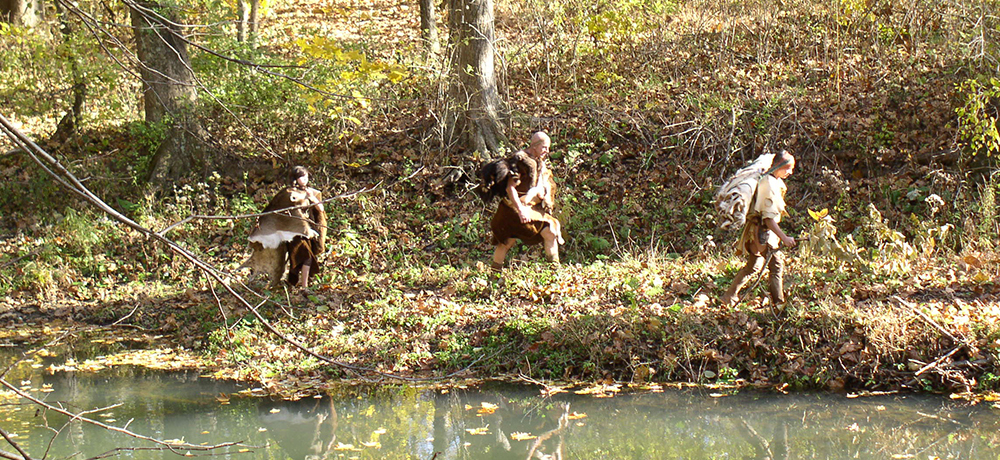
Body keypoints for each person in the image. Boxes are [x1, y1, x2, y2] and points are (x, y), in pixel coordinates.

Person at [720, 150, 796, 307]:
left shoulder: (774, 181)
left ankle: (729, 296)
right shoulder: (768, 184)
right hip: (762, 232)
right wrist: (784, 237)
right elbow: (768, 219)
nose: (790, 172)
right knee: (776, 266)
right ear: (778, 166)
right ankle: (779, 304)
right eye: (787, 168)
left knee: (754, 266)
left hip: (759, 231)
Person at [490, 131, 562, 270]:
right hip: (513, 210)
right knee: (506, 243)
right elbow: (510, 188)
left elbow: (544, 180)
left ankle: (555, 272)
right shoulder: (520, 159)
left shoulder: (539, 161)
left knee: (550, 233)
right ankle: (494, 277)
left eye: (548, 148)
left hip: (531, 209)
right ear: (535, 145)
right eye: (544, 147)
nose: (547, 151)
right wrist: (521, 210)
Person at [246, 166, 327, 289]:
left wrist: (312, 197)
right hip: (292, 232)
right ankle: (303, 286)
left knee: (303, 258)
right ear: (295, 178)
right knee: (304, 258)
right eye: (301, 177)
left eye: (306, 177)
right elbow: (279, 211)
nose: (304, 180)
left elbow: (321, 210)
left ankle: (296, 283)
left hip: (308, 231)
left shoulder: (312, 192)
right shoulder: (288, 193)